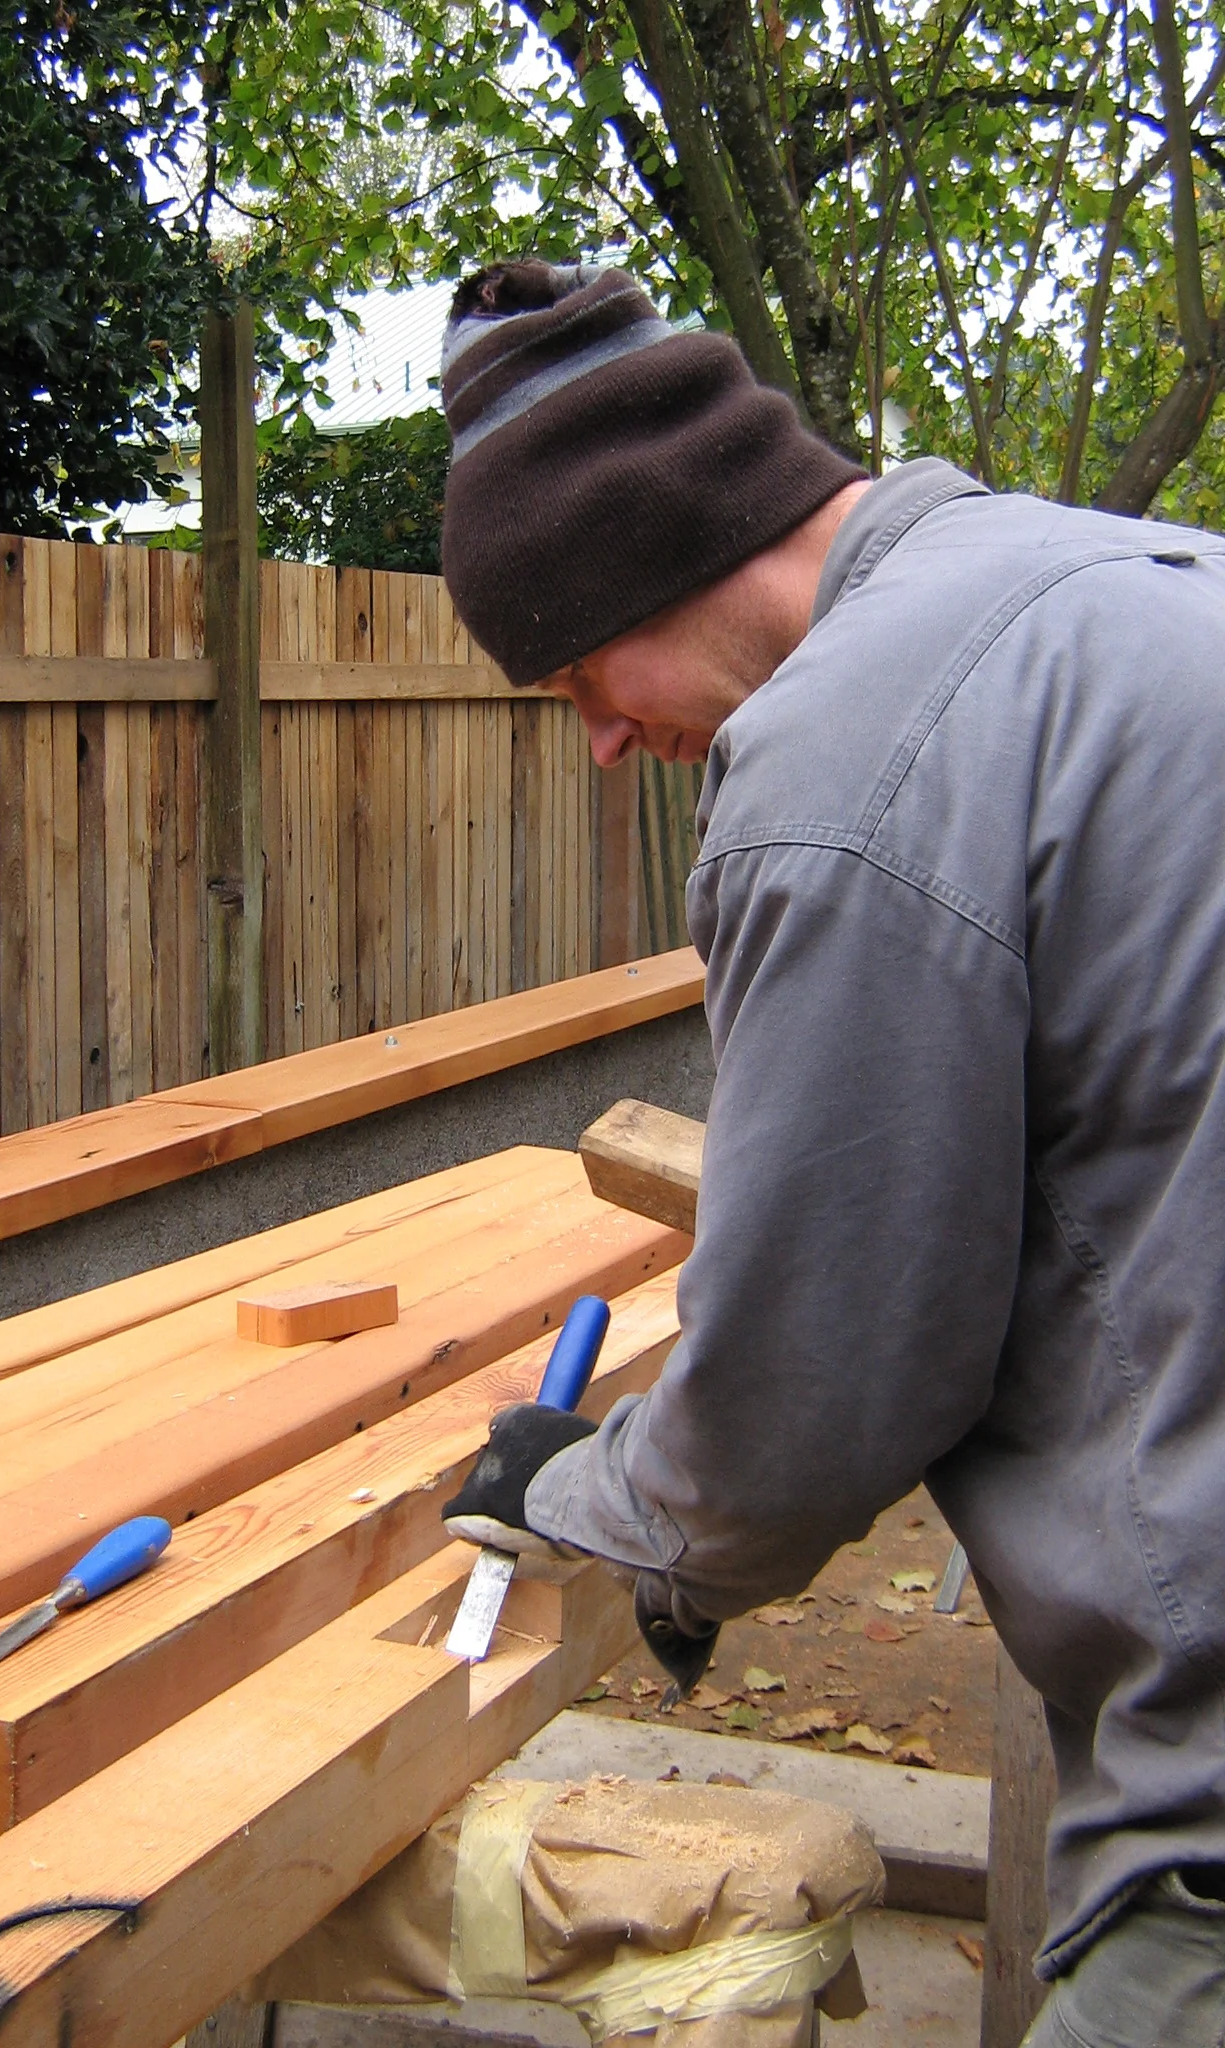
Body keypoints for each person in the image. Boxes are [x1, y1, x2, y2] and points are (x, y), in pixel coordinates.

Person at [437, 258, 1225, 2048]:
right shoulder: (1133, 583)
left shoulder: (850, 761)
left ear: (656, 554)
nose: (601, 738)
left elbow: (833, 1360)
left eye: (577, 669)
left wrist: (623, 1508)